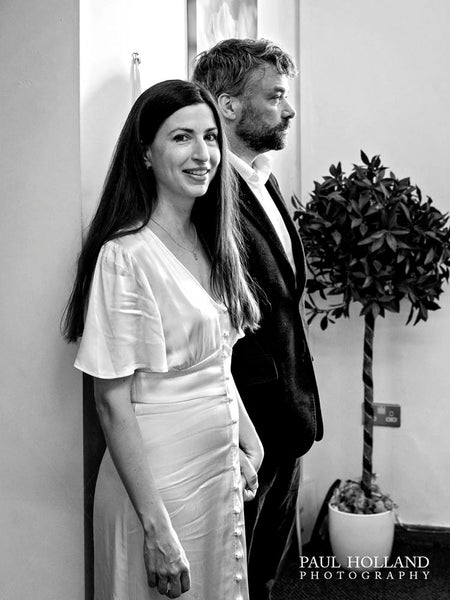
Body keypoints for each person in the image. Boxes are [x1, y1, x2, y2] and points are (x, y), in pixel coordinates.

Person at [62, 79, 263, 600]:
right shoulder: (125, 255)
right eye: (181, 137)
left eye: (211, 137)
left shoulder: (211, 239)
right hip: (155, 493)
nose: (203, 154)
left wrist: (246, 440)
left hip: (215, 477)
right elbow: (110, 402)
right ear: (146, 154)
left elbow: (216, 361)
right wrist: (156, 529)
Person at [193, 39, 324, 599]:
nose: (288, 110)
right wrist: (244, 435)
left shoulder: (262, 175)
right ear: (228, 105)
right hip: (247, 430)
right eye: (274, 97)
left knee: (267, 572)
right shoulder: (206, 194)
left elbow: (283, 302)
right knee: (237, 576)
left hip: (288, 415)